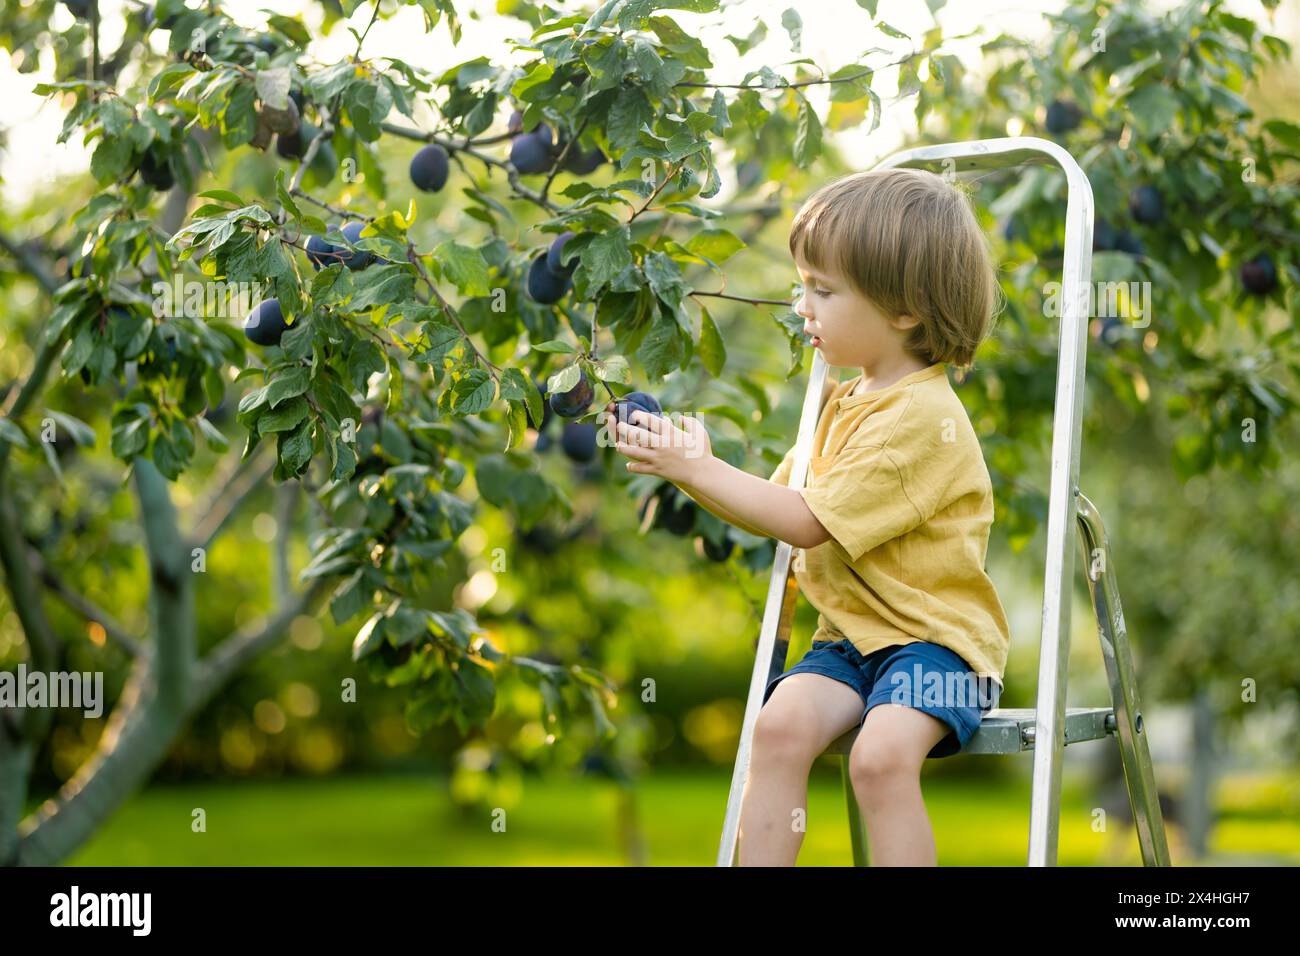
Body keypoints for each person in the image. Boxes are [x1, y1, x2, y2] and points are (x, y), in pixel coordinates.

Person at [605, 167, 1010, 866]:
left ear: (904, 308)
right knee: (779, 729)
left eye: (822, 291)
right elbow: (776, 503)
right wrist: (685, 458)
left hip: (938, 647)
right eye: (802, 286)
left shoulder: (919, 417)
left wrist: (695, 469)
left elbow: (806, 522)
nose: (802, 307)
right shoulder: (846, 401)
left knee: (879, 759)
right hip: (851, 642)